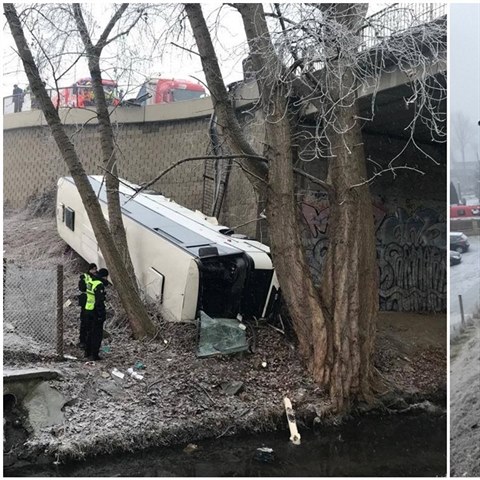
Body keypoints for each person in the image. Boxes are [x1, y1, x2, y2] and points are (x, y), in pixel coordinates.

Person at [84, 268, 110, 361]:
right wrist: (101, 315)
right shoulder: (99, 285)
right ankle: (94, 355)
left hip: (88, 309)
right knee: (97, 334)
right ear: (104, 276)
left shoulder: (91, 281)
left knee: (90, 333)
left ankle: (87, 352)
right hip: (95, 312)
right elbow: (99, 301)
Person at [78, 263, 97, 348]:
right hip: (86, 302)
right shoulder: (85, 277)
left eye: (95, 269)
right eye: (93, 269)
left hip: (92, 303)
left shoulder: (96, 277)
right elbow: (82, 288)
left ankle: (88, 341)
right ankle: (83, 341)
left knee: (91, 324)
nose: (94, 271)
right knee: (84, 323)